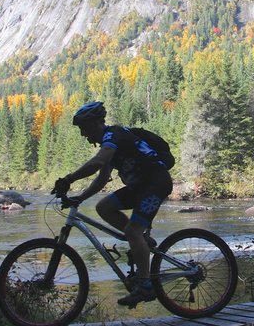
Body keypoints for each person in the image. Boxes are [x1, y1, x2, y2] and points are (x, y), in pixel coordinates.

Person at [51, 101, 174, 307]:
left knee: (133, 231)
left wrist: (69, 179)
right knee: (104, 207)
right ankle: (141, 241)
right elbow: (102, 178)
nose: (83, 134)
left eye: (84, 128)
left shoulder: (113, 135)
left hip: (156, 183)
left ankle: (145, 285)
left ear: (96, 123)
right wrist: (80, 198)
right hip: (141, 186)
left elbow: (98, 162)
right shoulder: (110, 144)